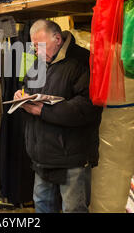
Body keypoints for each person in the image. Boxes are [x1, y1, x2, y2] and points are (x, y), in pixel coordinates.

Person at [14, 19, 103, 213]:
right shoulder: (37, 65)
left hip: (72, 160)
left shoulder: (83, 61)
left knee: (73, 209)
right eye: (34, 46)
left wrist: (43, 111)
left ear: (57, 39)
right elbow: (28, 90)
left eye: (40, 45)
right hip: (41, 159)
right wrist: (21, 98)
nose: (36, 50)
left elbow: (88, 108)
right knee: (42, 208)